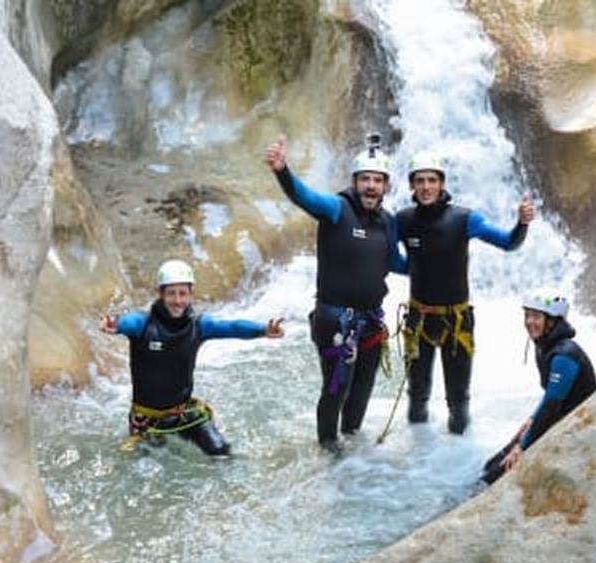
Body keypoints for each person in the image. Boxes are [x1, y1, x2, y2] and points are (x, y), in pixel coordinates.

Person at [263, 133, 406, 452]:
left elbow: (395, 262)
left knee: (363, 389)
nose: (371, 186)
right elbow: (304, 197)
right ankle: (329, 450)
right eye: (365, 179)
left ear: (386, 186)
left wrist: (435, 263)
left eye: (377, 180)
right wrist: (282, 171)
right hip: (334, 320)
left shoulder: (388, 222)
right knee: (336, 389)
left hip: (371, 321)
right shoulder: (337, 209)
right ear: (355, 182)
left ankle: (353, 450)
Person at [396, 151, 534, 434]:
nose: (425, 187)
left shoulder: (464, 219)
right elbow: (382, 253)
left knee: (458, 402)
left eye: (432, 180)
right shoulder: (403, 220)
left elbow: (509, 243)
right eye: (419, 180)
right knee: (416, 399)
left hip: (456, 321)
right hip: (418, 319)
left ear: (442, 184)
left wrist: (522, 223)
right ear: (411, 185)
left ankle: (456, 461)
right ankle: (416, 464)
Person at [100, 259, 285, 455]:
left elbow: (231, 327)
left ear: (191, 294)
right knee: (147, 467)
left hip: (184, 413)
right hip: (147, 419)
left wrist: (263, 330)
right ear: (160, 294)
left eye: (183, 293)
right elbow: (127, 322)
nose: (178, 301)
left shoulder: (199, 326)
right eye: (171, 293)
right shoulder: (143, 324)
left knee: (221, 451)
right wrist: (115, 324)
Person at [480, 289, 596, 484]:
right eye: (527, 316)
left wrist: (523, 447)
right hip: (558, 418)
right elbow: (551, 397)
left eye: (535, 317)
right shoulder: (545, 345)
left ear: (552, 321)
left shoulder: (564, 355)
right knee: (490, 465)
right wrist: (531, 420)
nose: (529, 322)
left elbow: (552, 405)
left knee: (497, 475)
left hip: (576, 428)